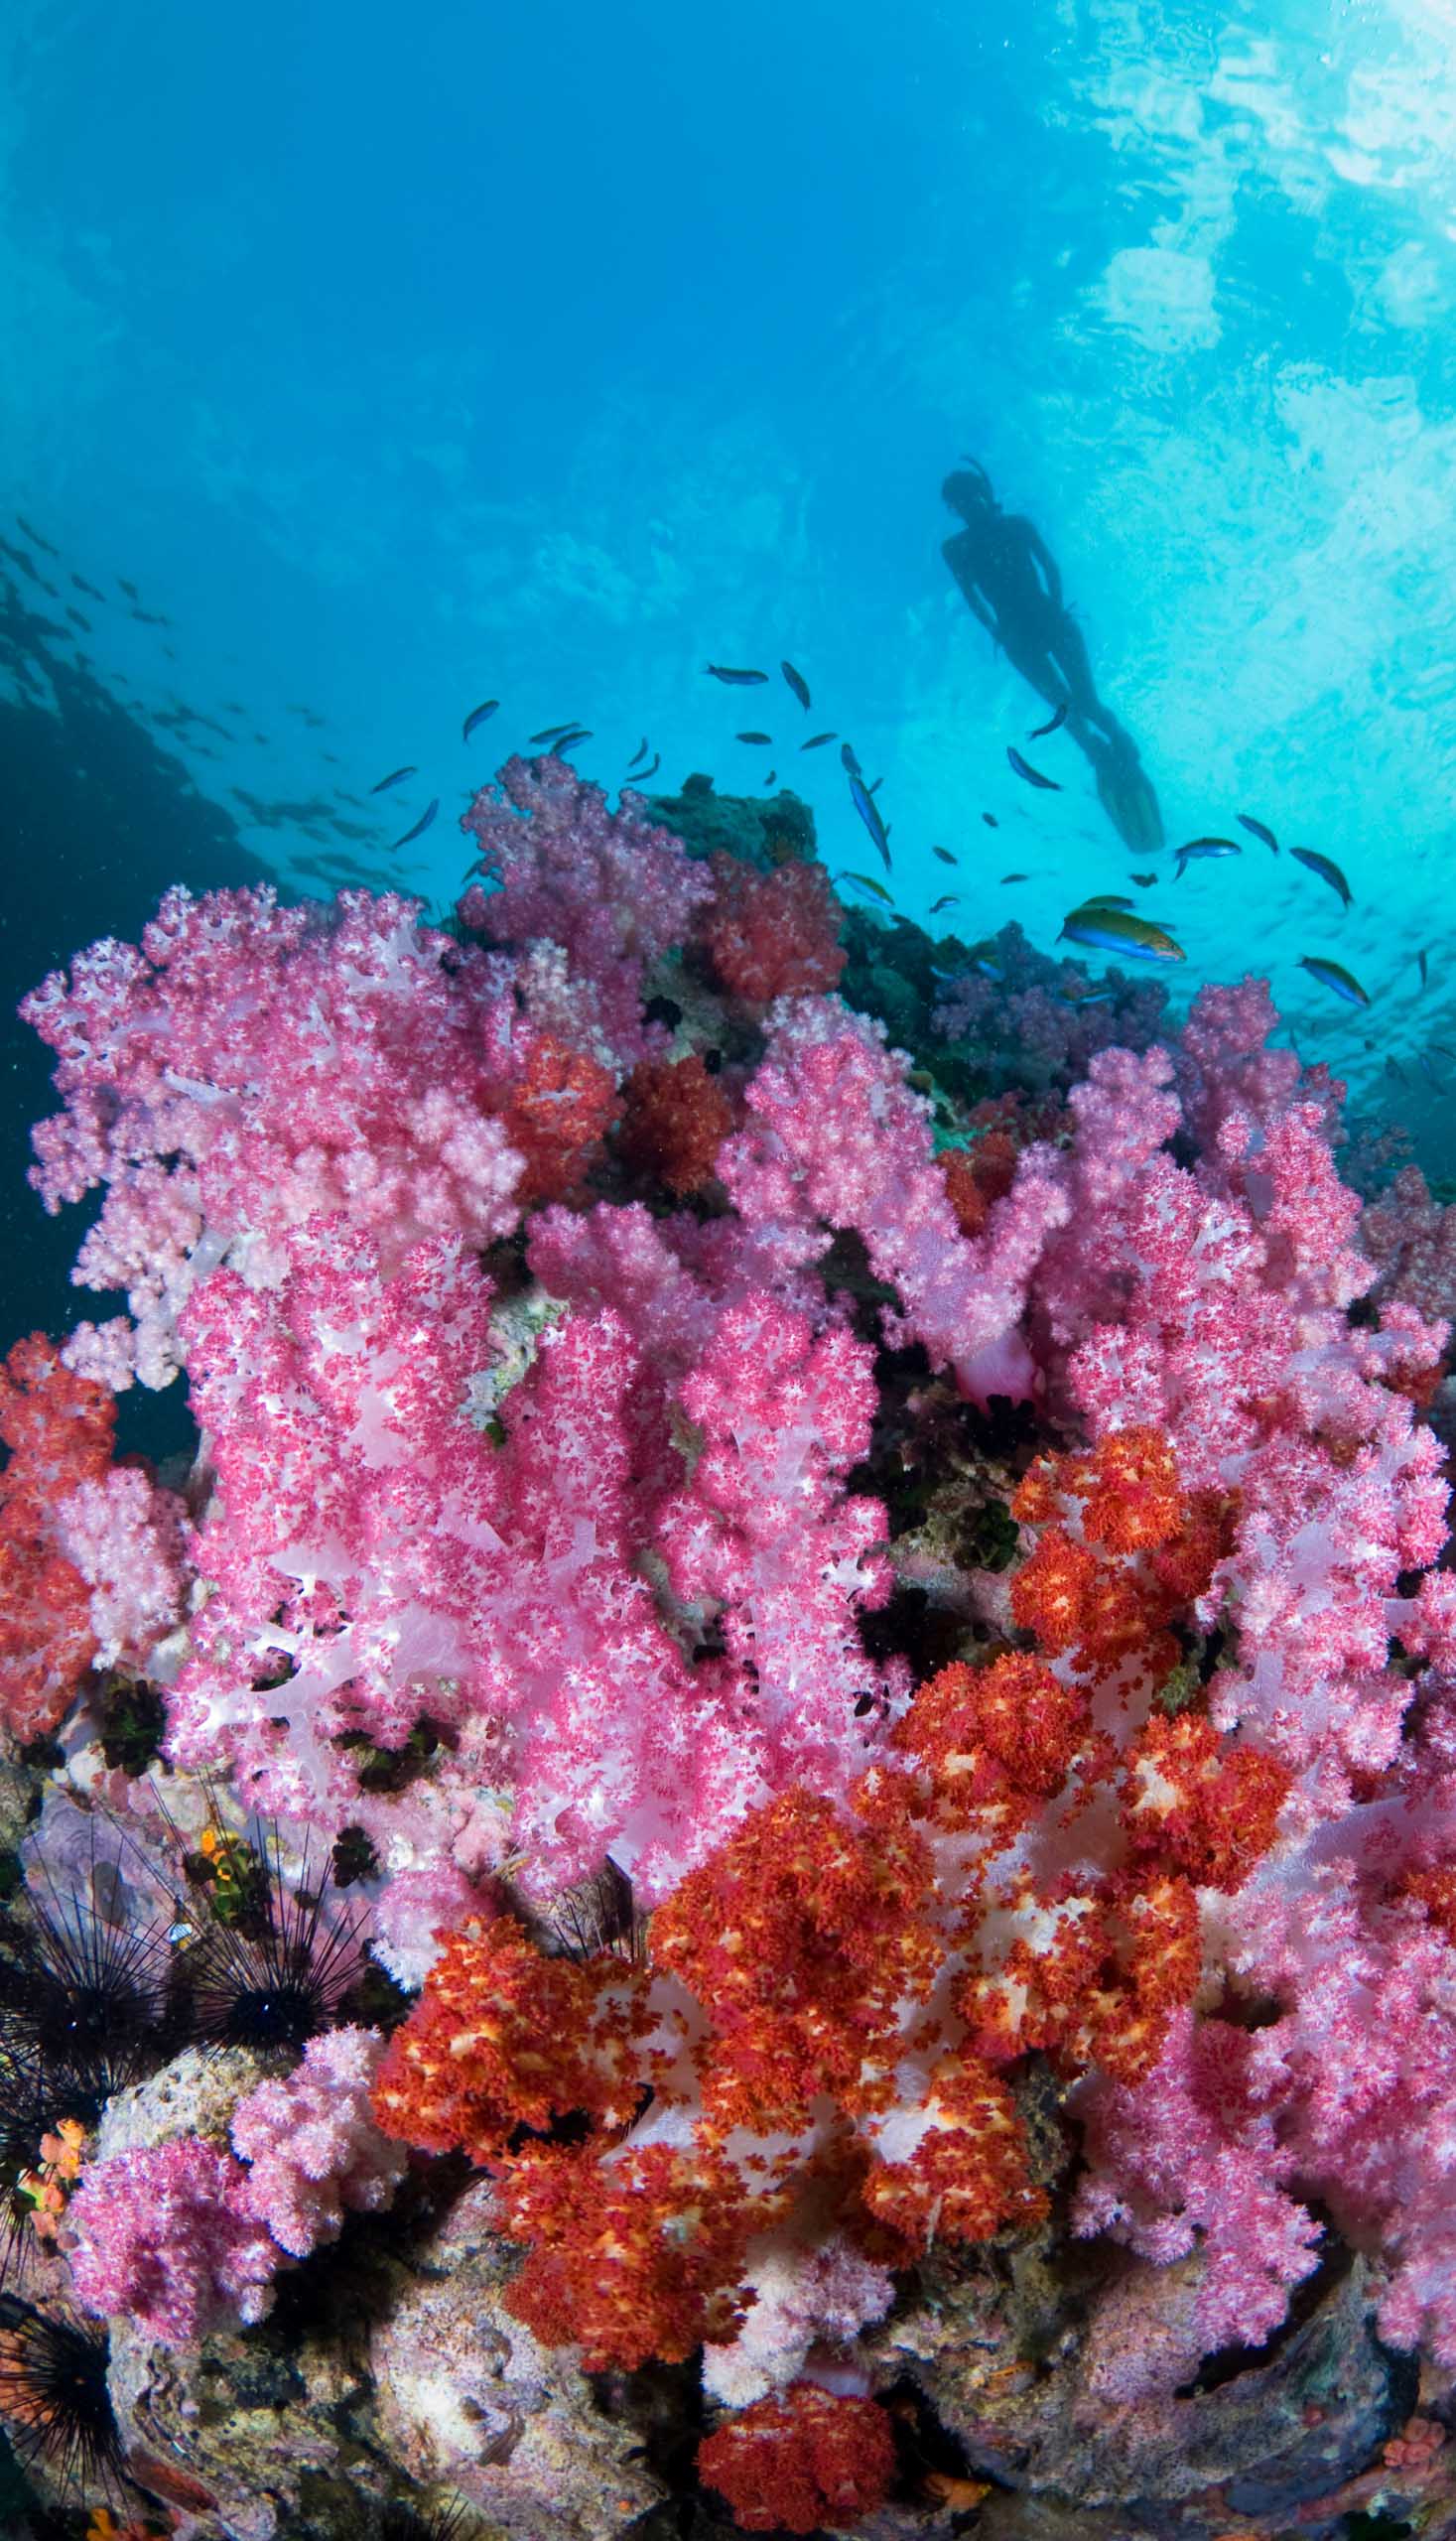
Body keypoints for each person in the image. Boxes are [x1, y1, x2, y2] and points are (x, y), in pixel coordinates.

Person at [942, 463, 1163, 856]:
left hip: (1036, 627)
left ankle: (1119, 747)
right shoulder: (960, 548)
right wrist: (1009, 629)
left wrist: (1040, 617)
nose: (969, 506)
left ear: (984, 493)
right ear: (956, 508)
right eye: (961, 503)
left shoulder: (1009, 529)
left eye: (970, 497)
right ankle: (1104, 754)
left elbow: (1045, 570)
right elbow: (977, 597)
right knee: (1070, 712)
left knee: (1084, 705)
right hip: (1030, 631)